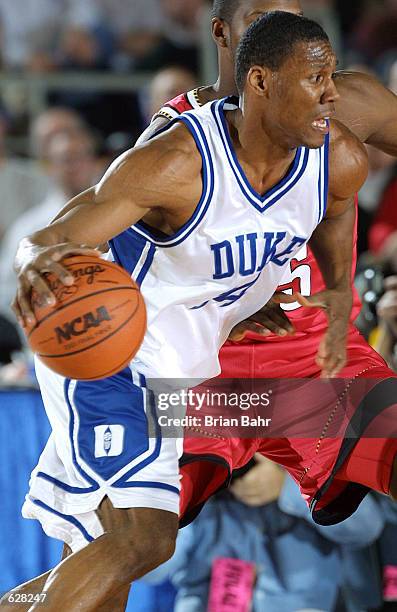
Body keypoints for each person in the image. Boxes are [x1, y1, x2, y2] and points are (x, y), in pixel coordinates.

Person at [2, 12, 367, 611]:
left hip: (179, 376)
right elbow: (56, 232)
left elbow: (336, 212)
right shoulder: (177, 161)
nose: (333, 92)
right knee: (143, 538)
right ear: (261, 81)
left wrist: (322, 292)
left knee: (102, 572)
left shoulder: (335, 158)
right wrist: (31, 261)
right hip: (111, 354)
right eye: (316, 78)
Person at [138, 0, 397, 534]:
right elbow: (116, 266)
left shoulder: (348, 105)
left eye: (295, 16)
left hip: (318, 367)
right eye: (261, 20)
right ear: (220, 32)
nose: (284, 31)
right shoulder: (174, 143)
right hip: (209, 380)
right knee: (131, 543)